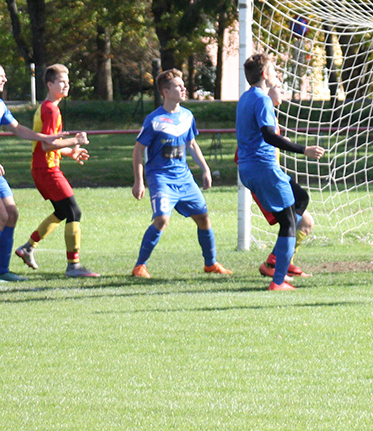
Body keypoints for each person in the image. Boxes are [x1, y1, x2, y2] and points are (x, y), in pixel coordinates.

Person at [0, 62, 76, 283]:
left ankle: (2, 270)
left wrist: (45, 138)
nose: (5, 79)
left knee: (12, 214)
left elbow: (18, 129)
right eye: (1, 76)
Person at [130, 69, 232, 278]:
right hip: (161, 177)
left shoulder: (187, 116)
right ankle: (140, 266)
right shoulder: (154, 119)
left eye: (183, 85)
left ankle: (211, 264)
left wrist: (205, 169)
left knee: (203, 218)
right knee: (161, 220)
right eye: (178, 86)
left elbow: (191, 144)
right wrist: (139, 181)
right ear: (166, 92)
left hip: (184, 177)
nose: (183, 89)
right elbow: (138, 150)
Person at [237, 53, 325, 291]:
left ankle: (278, 261)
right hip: (263, 168)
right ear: (265, 74)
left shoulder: (245, 98)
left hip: (249, 168)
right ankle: (277, 280)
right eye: (274, 71)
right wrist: (304, 149)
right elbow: (268, 136)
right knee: (288, 223)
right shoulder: (262, 100)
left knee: (301, 199)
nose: (277, 76)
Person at [14, 64, 99, 278]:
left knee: (62, 212)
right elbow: (46, 145)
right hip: (47, 169)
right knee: (74, 212)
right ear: (50, 84)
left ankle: (28, 247)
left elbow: (48, 144)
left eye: (67, 81)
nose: (66, 85)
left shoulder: (48, 107)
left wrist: (69, 151)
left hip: (42, 168)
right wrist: (76, 140)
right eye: (61, 81)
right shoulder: (50, 109)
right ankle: (73, 265)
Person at [244, 78, 315, 281]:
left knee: (305, 222)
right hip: (263, 176)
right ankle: (274, 265)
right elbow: (254, 145)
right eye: (278, 86)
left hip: (268, 174)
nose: (282, 90)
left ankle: (283, 261)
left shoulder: (267, 114)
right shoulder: (260, 108)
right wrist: (302, 149)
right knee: (292, 220)